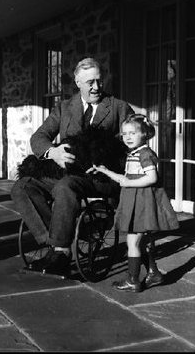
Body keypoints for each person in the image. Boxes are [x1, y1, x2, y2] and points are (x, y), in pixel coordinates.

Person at [11, 57, 134, 277]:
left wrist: (110, 166)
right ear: (78, 82)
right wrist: (53, 152)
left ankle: (61, 251)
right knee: (22, 186)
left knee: (65, 187)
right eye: (90, 82)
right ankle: (55, 243)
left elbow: (134, 147)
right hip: (67, 172)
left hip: (100, 178)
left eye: (99, 81)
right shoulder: (65, 107)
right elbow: (39, 137)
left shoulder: (118, 108)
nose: (96, 87)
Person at [88, 114, 179, 292]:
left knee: (133, 243)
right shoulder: (134, 153)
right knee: (139, 242)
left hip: (142, 204)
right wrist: (105, 171)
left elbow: (152, 178)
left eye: (132, 133)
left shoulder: (145, 154)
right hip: (134, 202)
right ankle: (154, 273)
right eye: (124, 134)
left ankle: (133, 279)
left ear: (145, 134)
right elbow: (125, 179)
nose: (127, 137)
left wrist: (129, 183)